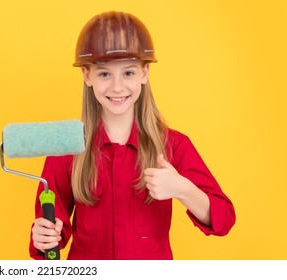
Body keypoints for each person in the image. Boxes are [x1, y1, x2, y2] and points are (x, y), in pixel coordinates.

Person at [29, 11, 236, 260]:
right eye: (104, 74)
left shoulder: (173, 146)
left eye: (128, 73)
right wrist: (44, 237)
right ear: (87, 76)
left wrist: (183, 188)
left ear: (144, 74)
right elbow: (52, 237)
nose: (117, 87)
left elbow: (223, 219)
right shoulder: (66, 147)